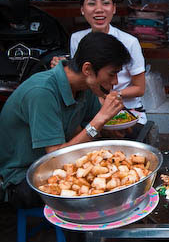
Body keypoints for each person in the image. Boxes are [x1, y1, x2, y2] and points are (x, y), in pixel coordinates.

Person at [0, 32, 130, 209]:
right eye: (112, 74)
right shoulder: (42, 92)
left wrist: (110, 128)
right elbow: (55, 157)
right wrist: (100, 121)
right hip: (23, 174)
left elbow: (90, 125)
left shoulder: (87, 86)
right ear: (87, 69)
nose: (115, 82)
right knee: (99, 191)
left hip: (61, 159)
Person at [52, 0, 147, 127]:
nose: (99, 10)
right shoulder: (77, 38)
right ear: (82, 10)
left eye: (106, 3)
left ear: (114, 8)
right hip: (90, 110)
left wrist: (110, 96)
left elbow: (139, 88)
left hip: (125, 109)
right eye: (91, 4)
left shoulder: (129, 42)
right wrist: (61, 66)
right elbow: (80, 75)